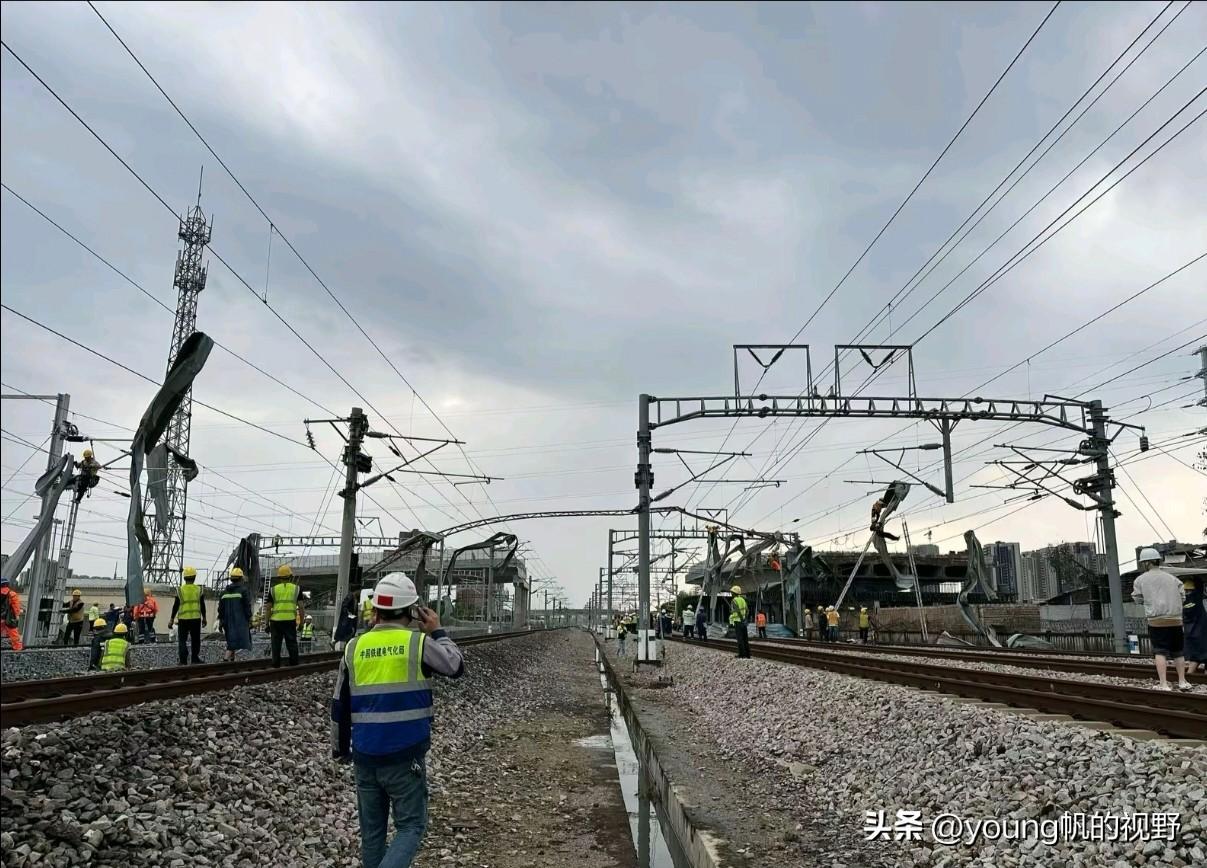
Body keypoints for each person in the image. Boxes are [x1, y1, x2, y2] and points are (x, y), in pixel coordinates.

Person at [331, 571, 464, 868]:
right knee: (411, 827)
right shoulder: (416, 643)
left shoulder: (354, 647)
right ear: (413, 611)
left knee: (373, 835)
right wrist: (438, 631)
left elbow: (339, 704)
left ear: (376, 609)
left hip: (365, 757)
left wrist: (340, 750)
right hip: (405, 758)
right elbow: (455, 665)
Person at [1132, 548, 1191, 691]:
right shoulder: (1172, 578)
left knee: (1160, 652)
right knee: (1178, 652)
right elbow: (1182, 596)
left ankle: (1164, 684)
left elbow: (1137, 598)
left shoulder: (1140, 580)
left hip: (1156, 621)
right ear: (1158, 560)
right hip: (1175, 620)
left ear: (1146, 563)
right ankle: (1182, 681)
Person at [169, 566, 207, 665]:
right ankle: (194, 659)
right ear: (194, 577)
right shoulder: (199, 589)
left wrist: (172, 619)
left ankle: (183, 660)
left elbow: (175, 605)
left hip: (183, 618)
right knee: (195, 640)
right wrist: (205, 618)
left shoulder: (180, 590)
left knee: (182, 640)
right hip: (195, 618)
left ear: (184, 577)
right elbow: (202, 605)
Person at [217, 567, 254, 663]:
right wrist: (249, 619)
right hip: (240, 621)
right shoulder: (243, 591)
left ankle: (232, 662)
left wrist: (221, 621)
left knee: (231, 640)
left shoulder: (224, 593)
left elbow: (220, 609)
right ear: (241, 579)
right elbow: (247, 606)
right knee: (233, 643)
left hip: (227, 621)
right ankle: (225, 660)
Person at [268, 564, 301, 667]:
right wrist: (302, 622)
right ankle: (294, 663)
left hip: (275, 621)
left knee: (276, 644)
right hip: (290, 620)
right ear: (290, 576)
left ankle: (276, 664)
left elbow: (268, 608)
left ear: (279, 577)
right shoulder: (297, 589)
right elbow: (301, 607)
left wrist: (266, 622)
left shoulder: (273, 590)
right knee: (291, 643)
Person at [1, 577, 23, 651]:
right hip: (8, 617)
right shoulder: (12, 593)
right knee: (13, 633)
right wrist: (16, 615)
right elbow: (16, 606)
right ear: (7, 584)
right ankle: (17, 648)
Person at [729, 585, 750, 659]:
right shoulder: (743, 600)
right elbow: (747, 610)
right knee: (745, 638)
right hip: (744, 622)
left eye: (732, 592)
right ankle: (748, 655)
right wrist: (745, 619)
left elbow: (737, 610)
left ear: (735, 593)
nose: (731, 594)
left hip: (738, 622)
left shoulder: (734, 600)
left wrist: (741, 618)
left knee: (740, 639)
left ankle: (742, 655)